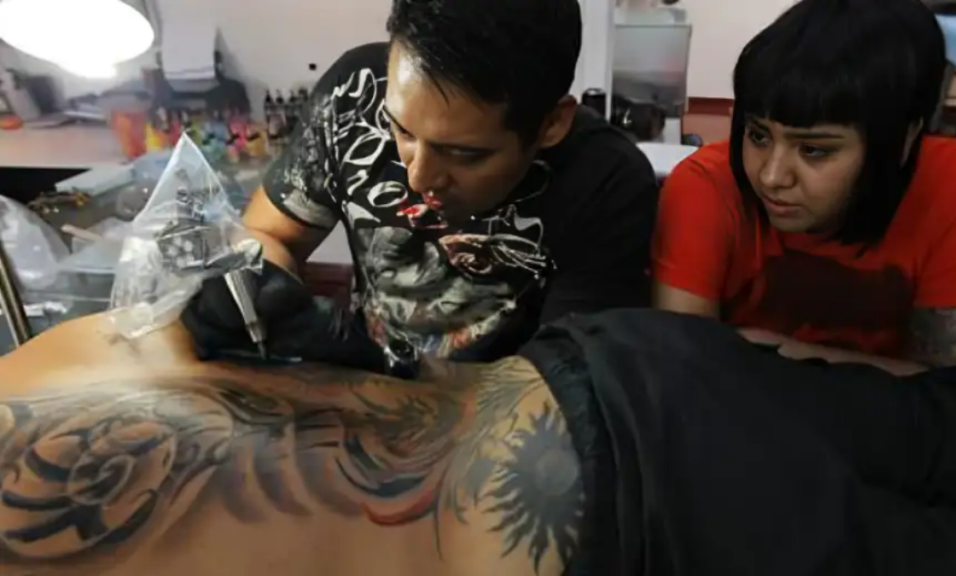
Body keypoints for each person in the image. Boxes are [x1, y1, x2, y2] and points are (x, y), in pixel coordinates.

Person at [2, 308, 956, 576]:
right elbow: (195, 323)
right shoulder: (47, 361)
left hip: (621, 506)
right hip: (617, 369)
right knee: (944, 426)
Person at [181, 0, 658, 372]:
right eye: (402, 131)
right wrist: (258, 286)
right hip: (359, 399)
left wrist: (399, 375)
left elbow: (561, 389)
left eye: (465, 153)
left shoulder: (606, 182)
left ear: (551, 124)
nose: (419, 177)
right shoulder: (353, 95)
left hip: (503, 430)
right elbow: (270, 233)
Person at [652, 0, 956, 374]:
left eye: (813, 150)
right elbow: (680, 371)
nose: (772, 176)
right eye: (758, 135)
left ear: (903, 141)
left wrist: (764, 349)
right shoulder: (706, 186)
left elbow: (955, 390)